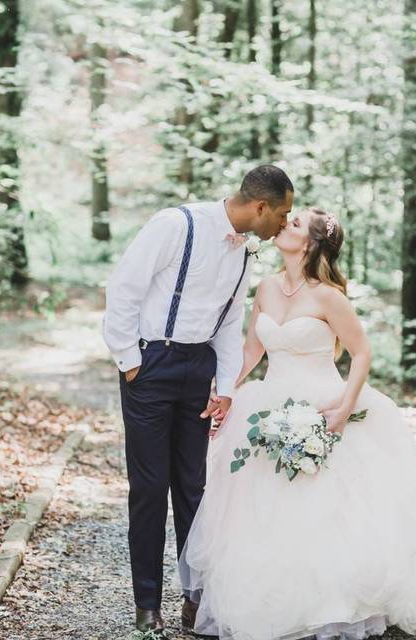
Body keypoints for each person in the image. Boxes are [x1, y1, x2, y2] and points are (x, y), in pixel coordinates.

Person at [178, 207, 416, 639]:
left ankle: (333, 602)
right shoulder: (264, 287)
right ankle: (269, 598)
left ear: (313, 243)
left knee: (327, 509)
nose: (285, 224)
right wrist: (226, 390)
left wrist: (342, 409)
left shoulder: (328, 296)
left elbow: (361, 353)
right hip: (268, 403)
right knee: (260, 504)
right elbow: (251, 352)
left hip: (322, 403)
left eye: (295, 223)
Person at [102, 165, 294, 634]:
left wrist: (226, 389)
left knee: (194, 489)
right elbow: (123, 290)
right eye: (283, 213)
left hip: (199, 373)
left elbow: (230, 326)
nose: (285, 223)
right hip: (151, 365)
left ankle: (196, 599)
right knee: (149, 490)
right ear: (260, 206)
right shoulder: (175, 225)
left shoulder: (246, 255)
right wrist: (130, 361)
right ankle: (147, 605)